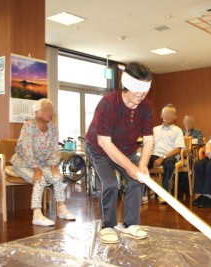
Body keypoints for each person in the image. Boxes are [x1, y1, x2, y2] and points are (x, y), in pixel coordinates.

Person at [85, 62, 154, 244]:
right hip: (99, 149)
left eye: (145, 90)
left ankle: (131, 224)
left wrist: (143, 164)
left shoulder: (146, 107)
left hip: (126, 149)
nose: (141, 94)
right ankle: (108, 226)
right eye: (137, 89)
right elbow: (104, 142)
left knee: (138, 180)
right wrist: (130, 166)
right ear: (126, 85)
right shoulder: (108, 103)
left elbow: (148, 139)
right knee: (110, 184)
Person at [11, 99, 75, 227]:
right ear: (37, 112)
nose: (51, 113)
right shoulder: (29, 126)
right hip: (23, 162)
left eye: (52, 110)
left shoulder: (52, 128)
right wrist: (36, 169)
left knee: (57, 177)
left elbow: (55, 150)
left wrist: (53, 166)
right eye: (47, 110)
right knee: (40, 180)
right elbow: (26, 150)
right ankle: (37, 214)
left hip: (42, 163)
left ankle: (62, 208)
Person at [148, 104, 185, 204]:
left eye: (170, 114)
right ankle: (141, 193)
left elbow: (177, 149)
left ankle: (164, 193)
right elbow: (149, 145)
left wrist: (162, 158)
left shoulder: (177, 130)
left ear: (175, 117)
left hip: (170, 156)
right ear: (161, 115)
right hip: (155, 155)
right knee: (142, 162)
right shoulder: (155, 129)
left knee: (169, 163)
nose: (168, 116)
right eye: (165, 113)